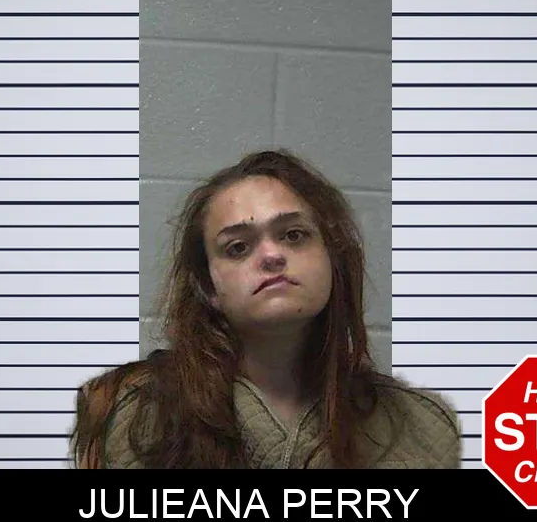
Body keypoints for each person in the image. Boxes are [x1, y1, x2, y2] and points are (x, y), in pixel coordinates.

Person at [71, 149, 462, 469]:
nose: (272, 255)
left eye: (294, 235)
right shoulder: (135, 414)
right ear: (209, 286)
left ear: (332, 259)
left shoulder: (422, 429)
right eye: (238, 247)